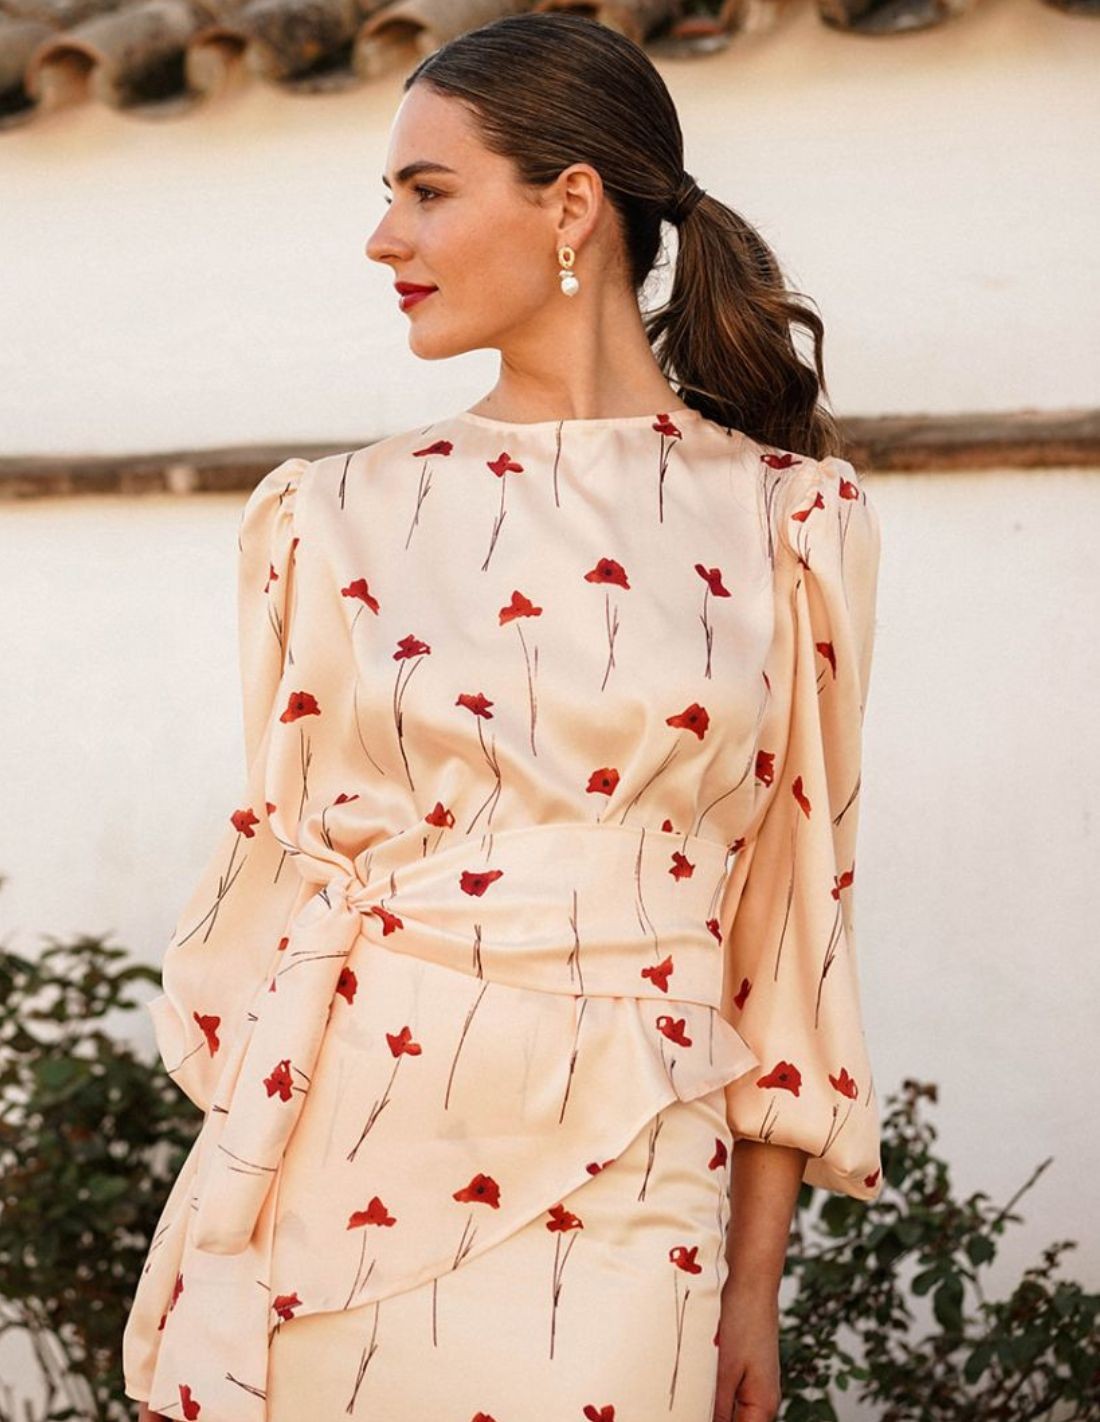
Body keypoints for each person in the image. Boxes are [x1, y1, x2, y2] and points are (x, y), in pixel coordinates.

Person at [125, 13, 884, 1422]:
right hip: (342, 1154)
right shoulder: (327, 516)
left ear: (572, 204)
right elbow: (280, 858)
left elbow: (795, 914)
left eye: (427, 191)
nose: (384, 241)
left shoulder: (789, 521)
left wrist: (752, 1286)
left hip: (636, 1174)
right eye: (389, 198)